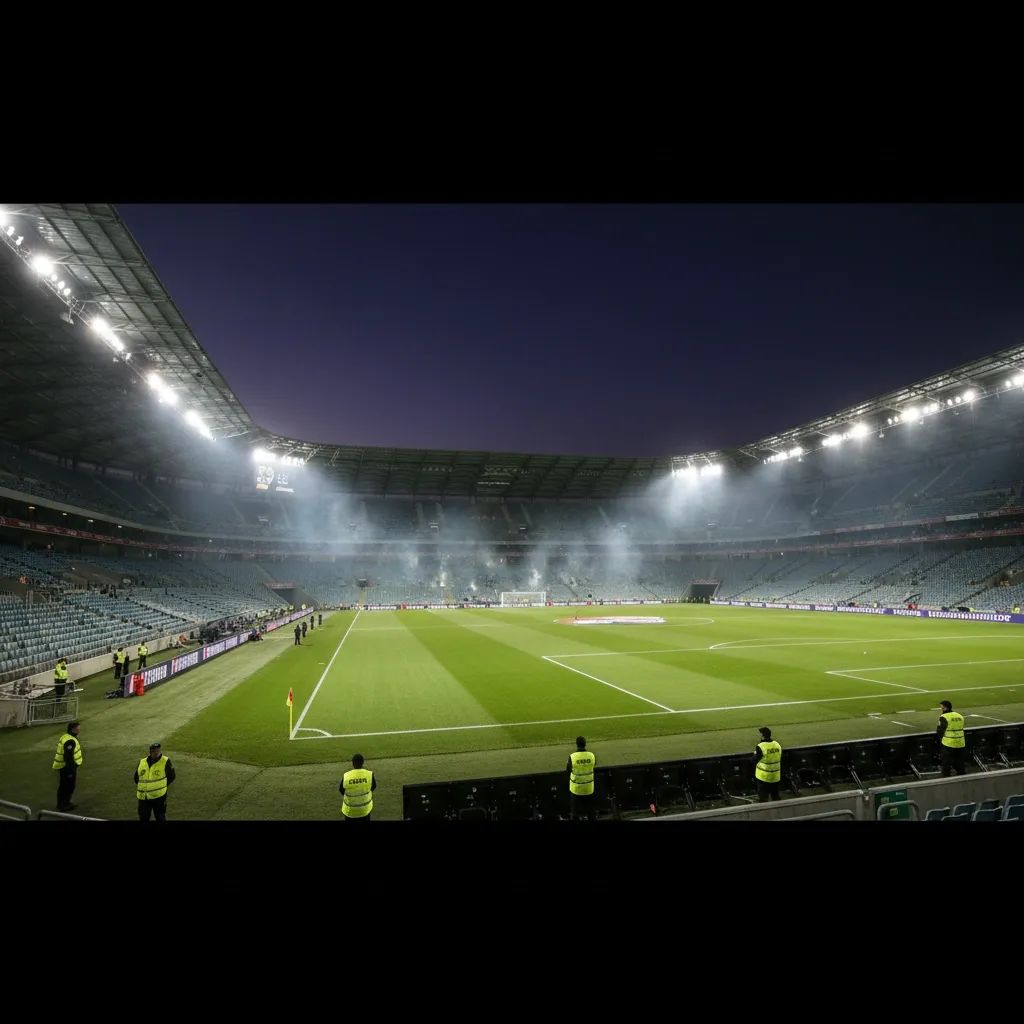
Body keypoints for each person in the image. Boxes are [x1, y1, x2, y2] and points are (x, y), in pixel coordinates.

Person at [134, 742, 176, 822]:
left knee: (160, 817)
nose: (156, 752)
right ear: (150, 751)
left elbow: (171, 776)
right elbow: (136, 778)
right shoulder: (142, 762)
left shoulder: (165, 761)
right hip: (144, 797)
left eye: (158, 750)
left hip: (159, 797)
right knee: (143, 817)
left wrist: (162, 786)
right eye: (154, 750)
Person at [52, 720, 83, 812]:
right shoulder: (70, 741)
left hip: (65, 766)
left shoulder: (67, 737)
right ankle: (63, 805)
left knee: (66, 786)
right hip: (67, 767)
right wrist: (70, 771)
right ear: (73, 729)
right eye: (78, 728)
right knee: (67, 786)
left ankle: (65, 803)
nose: (79, 730)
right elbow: (68, 757)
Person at [567, 735, 596, 820]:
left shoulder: (572, 757)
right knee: (591, 812)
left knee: (574, 812)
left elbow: (568, 770)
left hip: (576, 789)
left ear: (576, 744)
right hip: (589, 789)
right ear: (585, 744)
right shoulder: (591, 755)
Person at [340, 753, 376, 820]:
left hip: (349, 812)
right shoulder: (369, 774)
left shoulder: (346, 776)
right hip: (365, 810)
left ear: (353, 763)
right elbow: (373, 787)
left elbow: (341, 790)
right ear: (363, 763)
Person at [937, 700, 967, 777]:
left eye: (942, 708)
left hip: (948, 743)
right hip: (961, 742)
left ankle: (946, 779)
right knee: (960, 763)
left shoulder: (944, 717)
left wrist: (940, 739)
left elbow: (940, 730)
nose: (941, 709)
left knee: (946, 763)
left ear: (945, 708)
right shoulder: (959, 715)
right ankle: (962, 777)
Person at [753, 726, 783, 802]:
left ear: (762, 736)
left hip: (764, 777)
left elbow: (754, 760)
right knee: (776, 798)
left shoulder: (761, 747)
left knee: (763, 799)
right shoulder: (777, 744)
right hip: (776, 777)